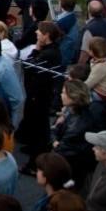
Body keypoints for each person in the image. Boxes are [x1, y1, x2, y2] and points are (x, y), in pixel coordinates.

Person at [19, 22, 63, 175]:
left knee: (39, 130)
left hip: (40, 97)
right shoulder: (48, 51)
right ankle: (33, 150)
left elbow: (28, 66)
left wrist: (36, 48)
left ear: (47, 35)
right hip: (36, 95)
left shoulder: (49, 54)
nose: (37, 34)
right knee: (35, 127)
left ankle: (34, 164)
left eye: (40, 32)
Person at [52, 80, 97, 189]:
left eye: (64, 93)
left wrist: (55, 141)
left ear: (73, 97)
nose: (61, 94)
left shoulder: (76, 125)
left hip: (71, 167)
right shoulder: (73, 111)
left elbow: (61, 148)